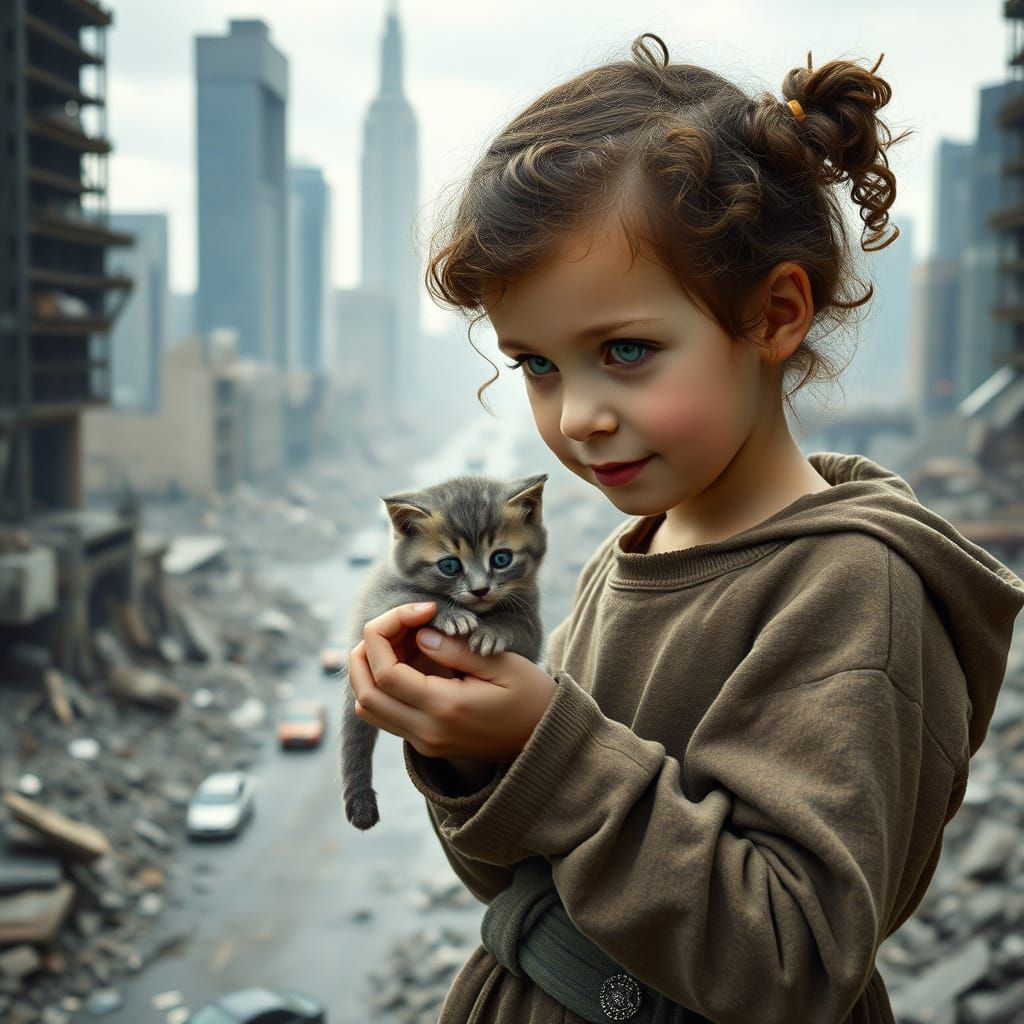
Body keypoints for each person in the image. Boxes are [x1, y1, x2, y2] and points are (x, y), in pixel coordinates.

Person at [346, 32, 1024, 1024]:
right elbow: (527, 884)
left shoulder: (851, 590)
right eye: (537, 365)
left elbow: (791, 966)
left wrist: (546, 744)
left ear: (774, 315)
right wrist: (469, 748)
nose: (578, 415)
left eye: (624, 350)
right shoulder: (629, 554)